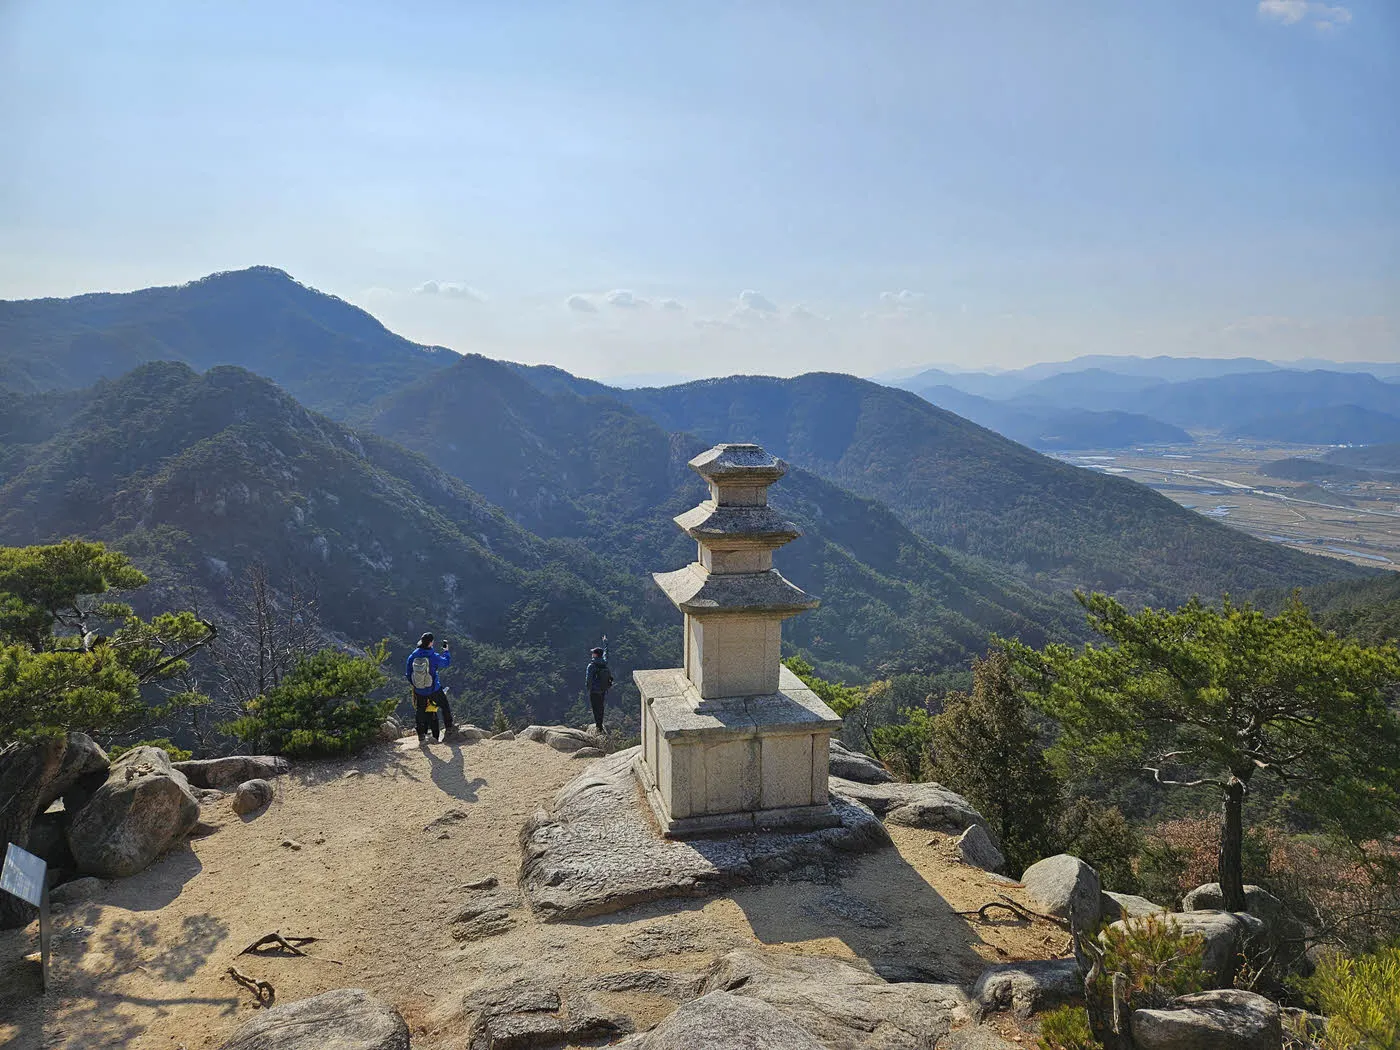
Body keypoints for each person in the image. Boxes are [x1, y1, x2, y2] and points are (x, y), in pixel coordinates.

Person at [405, 633, 456, 743]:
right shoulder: (433, 656)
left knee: (420, 710)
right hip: (434, 689)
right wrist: (446, 651)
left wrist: (416, 685)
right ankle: (449, 727)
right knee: (444, 705)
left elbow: (408, 674)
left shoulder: (412, 656)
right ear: (431, 643)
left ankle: (421, 734)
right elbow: (446, 662)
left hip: (419, 690)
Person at [583, 636, 614, 735]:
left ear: (596, 655)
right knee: (601, 707)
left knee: (595, 708)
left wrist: (588, 689)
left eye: (593, 653)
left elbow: (588, 680)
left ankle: (598, 727)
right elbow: (607, 653)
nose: (592, 654)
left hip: (594, 691)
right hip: (603, 689)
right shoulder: (604, 662)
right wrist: (605, 642)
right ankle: (600, 724)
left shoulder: (591, 666)